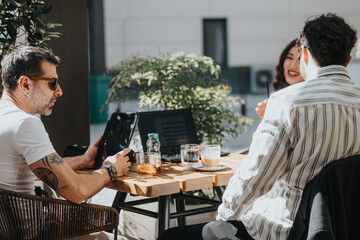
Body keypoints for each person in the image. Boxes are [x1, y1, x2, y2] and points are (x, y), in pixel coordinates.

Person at [158, 12, 358, 240]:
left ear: (304, 52)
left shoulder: (288, 102)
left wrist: (223, 216)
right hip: (343, 229)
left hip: (284, 229)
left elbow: (254, 177)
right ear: (348, 60)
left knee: (170, 237)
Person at [0, 46, 131, 204]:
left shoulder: (6, 118)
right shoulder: (25, 124)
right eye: (53, 83)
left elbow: (33, 170)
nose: (59, 91)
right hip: (33, 228)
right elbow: (77, 191)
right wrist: (111, 169)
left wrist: (84, 160)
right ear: (25, 84)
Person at [255, 39, 304, 119]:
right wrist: (264, 117)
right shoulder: (276, 96)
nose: (292, 66)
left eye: (299, 60)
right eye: (289, 58)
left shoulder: (308, 100)